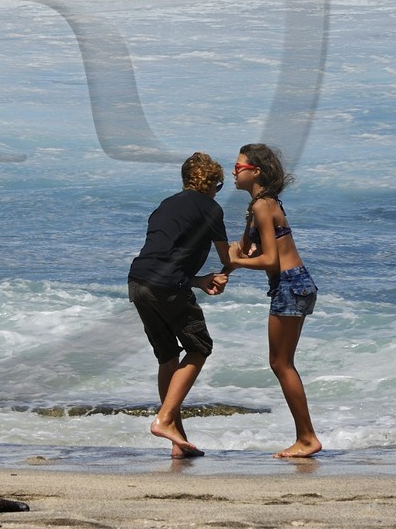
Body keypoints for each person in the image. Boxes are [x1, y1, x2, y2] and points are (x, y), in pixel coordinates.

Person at [127, 151, 233, 458]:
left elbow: (164, 258)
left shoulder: (166, 205)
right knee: (200, 347)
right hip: (165, 285)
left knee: (168, 357)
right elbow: (228, 258)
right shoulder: (210, 208)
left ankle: (178, 441)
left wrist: (199, 280)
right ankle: (164, 419)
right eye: (219, 184)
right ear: (212, 182)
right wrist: (255, 252)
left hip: (138, 282)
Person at [227, 142, 322, 459]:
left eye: (238, 167)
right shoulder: (263, 204)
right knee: (282, 363)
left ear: (255, 171)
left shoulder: (261, 206)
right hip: (296, 283)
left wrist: (238, 262)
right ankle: (305, 436)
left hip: (288, 283)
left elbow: (271, 261)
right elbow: (260, 249)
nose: (233, 172)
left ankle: (307, 438)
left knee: (281, 363)